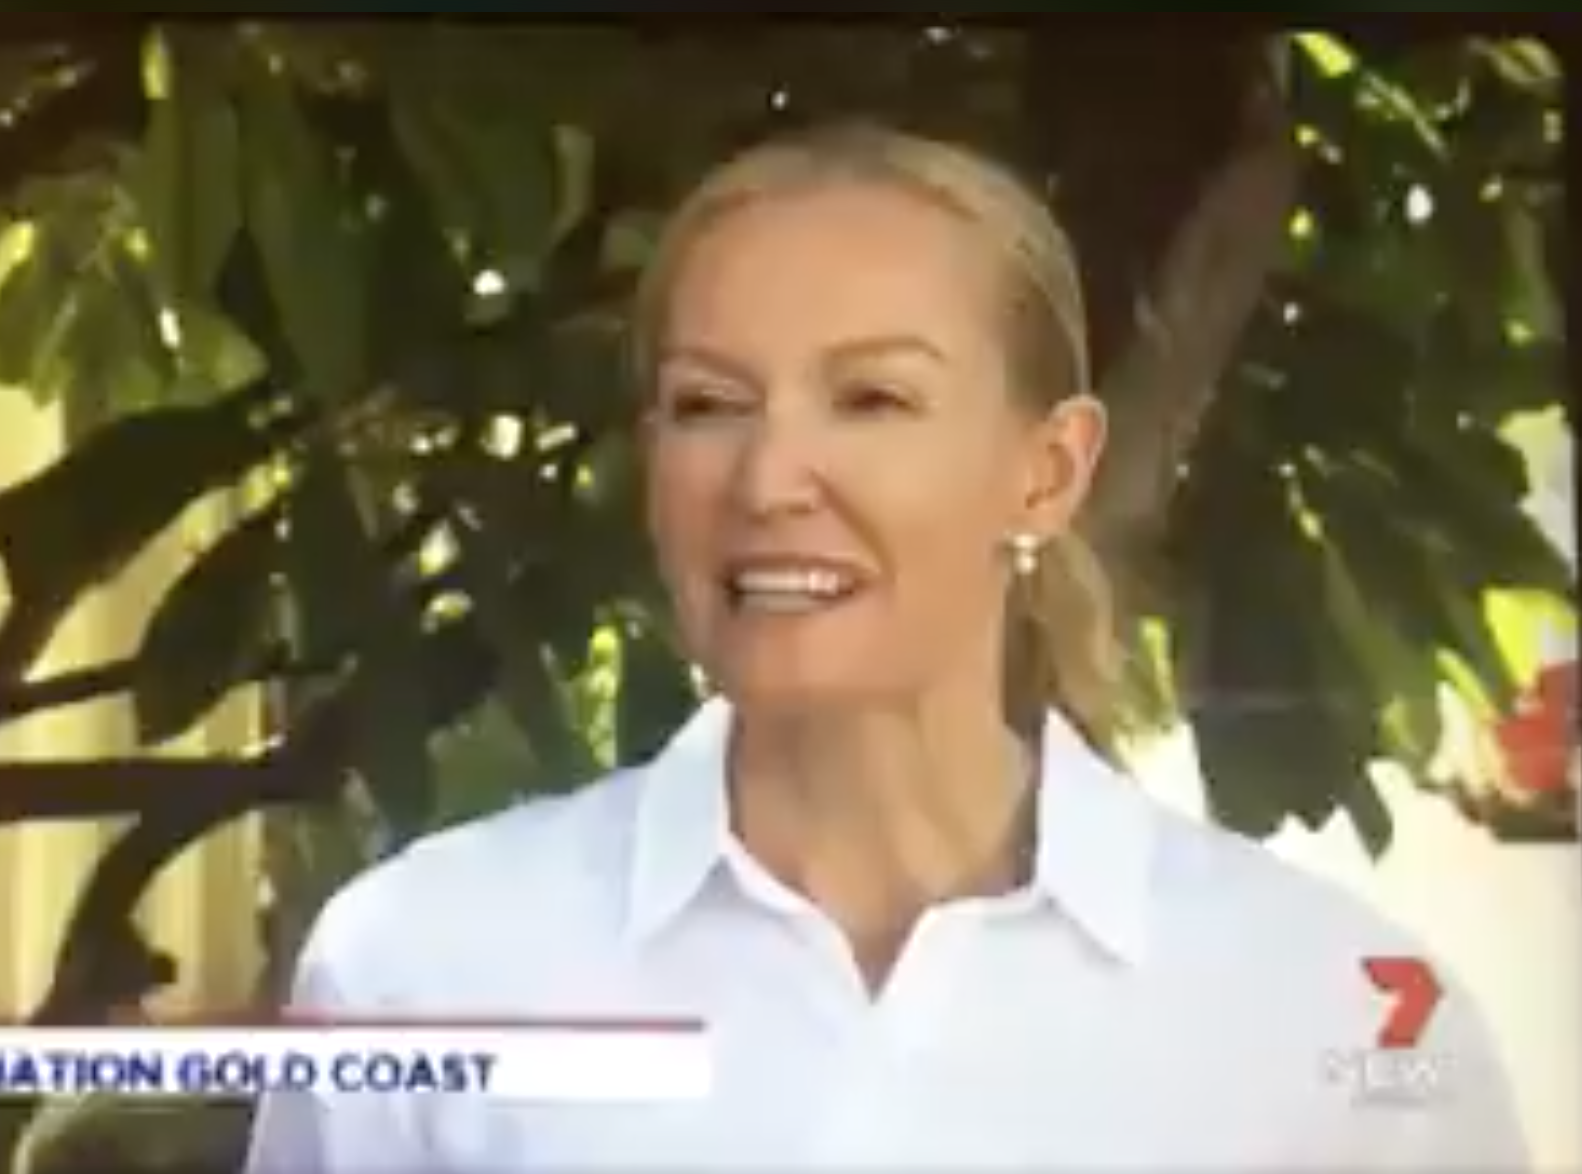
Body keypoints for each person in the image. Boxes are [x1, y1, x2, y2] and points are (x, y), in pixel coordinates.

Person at [245, 122, 1530, 1171]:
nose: (769, 476)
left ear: (1046, 470)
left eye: (872, 398)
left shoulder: (1340, 1014)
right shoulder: (419, 966)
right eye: (707, 404)